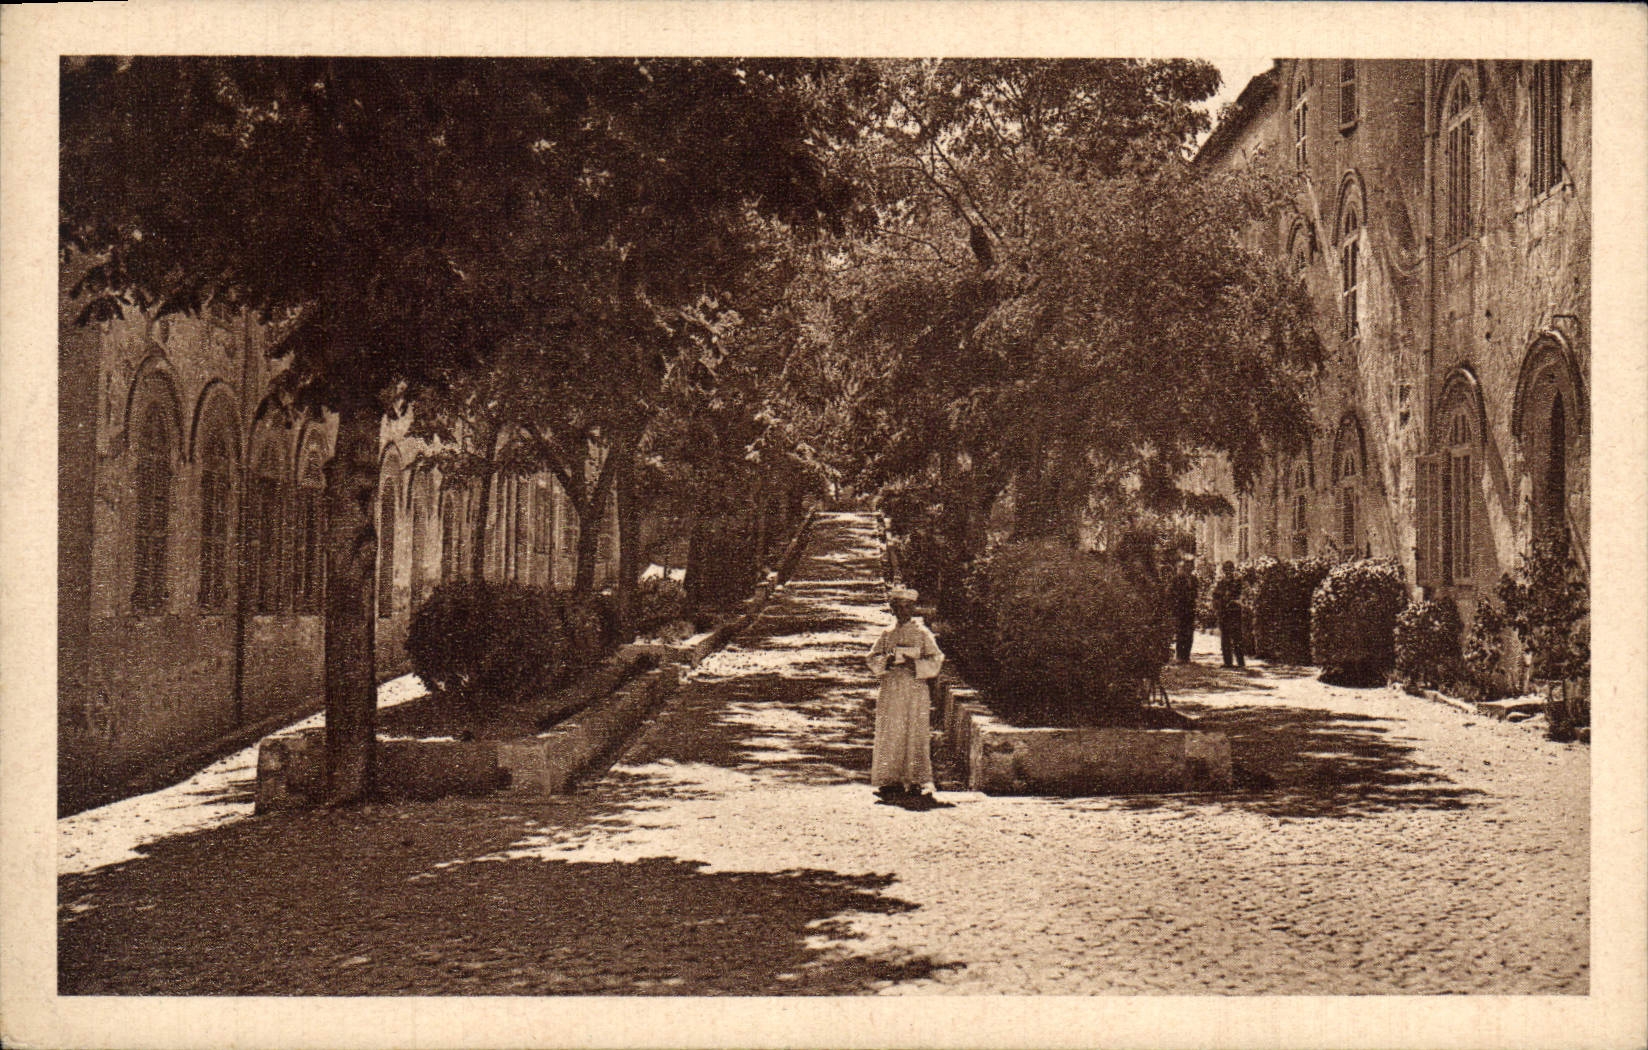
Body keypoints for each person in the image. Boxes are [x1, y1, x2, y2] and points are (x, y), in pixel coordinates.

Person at [866, 586, 945, 806]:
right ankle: (889, 778)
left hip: (915, 688)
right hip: (892, 687)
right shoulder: (887, 634)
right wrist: (886, 662)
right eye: (899, 607)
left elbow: (936, 659)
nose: (903, 611)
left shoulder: (922, 633)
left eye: (907, 607)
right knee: (892, 730)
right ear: (893, 609)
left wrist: (916, 665)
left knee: (914, 730)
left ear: (913, 608)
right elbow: (872, 658)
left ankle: (916, 778)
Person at [1212, 560, 1246, 669]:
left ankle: (1240, 662)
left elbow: (1239, 595)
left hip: (1234, 613)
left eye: (1230, 569)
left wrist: (1231, 599)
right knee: (1225, 638)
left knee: (1237, 638)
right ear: (1223, 570)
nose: (1228, 571)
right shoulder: (1220, 583)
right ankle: (1228, 662)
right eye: (1225, 569)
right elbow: (1215, 596)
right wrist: (1218, 603)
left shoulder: (1237, 582)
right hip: (1224, 614)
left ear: (1232, 570)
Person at [1168, 556, 1200, 663]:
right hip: (1180, 609)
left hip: (1190, 609)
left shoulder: (1194, 579)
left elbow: (1195, 593)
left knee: (1189, 633)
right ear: (1184, 566)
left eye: (1192, 565)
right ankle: (1180, 656)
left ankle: (1186, 656)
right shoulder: (1177, 579)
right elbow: (1170, 593)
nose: (1190, 568)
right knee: (1181, 632)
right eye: (1188, 565)